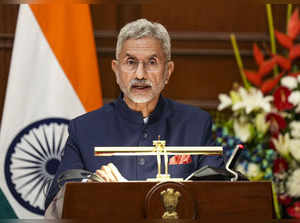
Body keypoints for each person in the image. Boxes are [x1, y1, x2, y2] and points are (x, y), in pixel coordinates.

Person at [44, 18, 224, 213]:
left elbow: (218, 191)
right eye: (130, 62)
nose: (140, 74)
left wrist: (127, 191)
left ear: (168, 71)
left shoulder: (196, 124)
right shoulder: (84, 128)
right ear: (116, 69)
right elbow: (55, 198)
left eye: (152, 62)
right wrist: (92, 183)